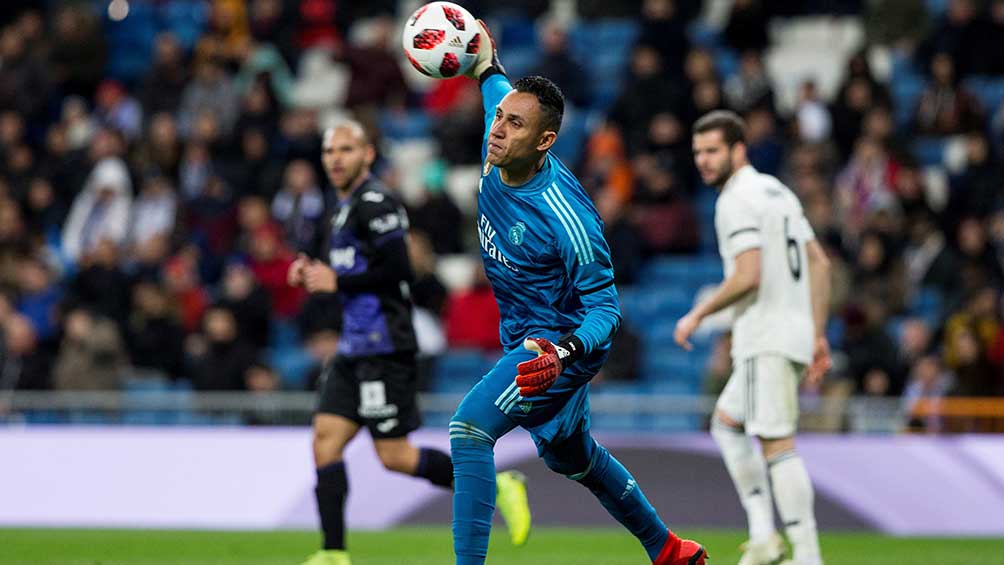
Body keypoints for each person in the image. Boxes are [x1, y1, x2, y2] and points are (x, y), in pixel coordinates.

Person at [446, 22, 707, 565]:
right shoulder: (502, 137)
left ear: (544, 141)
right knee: (572, 457)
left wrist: (563, 354)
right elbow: (492, 77)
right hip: (523, 333)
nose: (497, 129)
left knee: (470, 429)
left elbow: (608, 310)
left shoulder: (567, 218)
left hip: (556, 347)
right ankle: (667, 549)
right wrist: (477, 50)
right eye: (499, 117)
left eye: (514, 124)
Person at [287, 120, 529, 565]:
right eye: (329, 151)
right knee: (325, 439)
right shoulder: (338, 209)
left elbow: (399, 269)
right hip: (352, 348)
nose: (335, 158)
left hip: (386, 347)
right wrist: (310, 270)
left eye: (345, 149)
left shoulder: (377, 202)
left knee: (395, 456)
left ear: (367, 155)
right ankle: (333, 552)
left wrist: (334, 279)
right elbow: (346, 268)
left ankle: (498, 484)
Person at [676, 110, 832, 565]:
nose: (704, 161)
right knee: (726, 423)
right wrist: (817, 333)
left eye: (712, 151)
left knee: (777, 443)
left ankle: (806, 554)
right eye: (698, 153)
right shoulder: (777, 191)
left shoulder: (735, 199)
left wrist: (697, 314)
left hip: (763, 335)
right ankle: (763, 534)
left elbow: (748, 274)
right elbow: (819, 263)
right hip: (792, 330)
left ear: (738, 149)